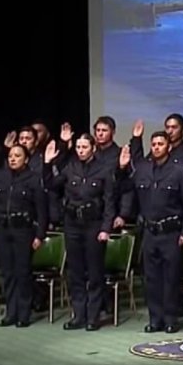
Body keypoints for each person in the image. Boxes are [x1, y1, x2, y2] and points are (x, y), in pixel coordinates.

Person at [118, 133, 183, 333]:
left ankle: (170, 319)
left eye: (161, 144)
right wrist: (121, 169)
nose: (157, 147)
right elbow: (123, 187)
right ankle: (155, 319)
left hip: (171, 232)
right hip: (150, 232)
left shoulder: (180, 171)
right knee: (151, 279)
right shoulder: (142, 169)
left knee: (171, 279)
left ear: (169, 147)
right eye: (153, 144)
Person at [45, 134, 119, 331]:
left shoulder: (104, 169)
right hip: (72, 224)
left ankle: (93, 316)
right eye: (78, 147)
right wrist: (47, 163)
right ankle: (79, 315)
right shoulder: (71, 167)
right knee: (75, 272)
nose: (80, 150)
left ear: (93, 148)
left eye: (84, 146)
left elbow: (109, 202)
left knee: (95, 273)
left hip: (93, 225)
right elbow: (52, 185)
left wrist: (106, 228)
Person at [0, 143, 49, 328]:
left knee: (23, 272)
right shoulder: (0, 176)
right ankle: (10, 312)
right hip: (4, 229)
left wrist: (39, 235)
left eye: (18, 155)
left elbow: (41, 211)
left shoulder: (34, 179)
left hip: (23, 231)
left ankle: (24, 313)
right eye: (11, 155)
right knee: (8, 273)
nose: (13, 159)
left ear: (26, 159)